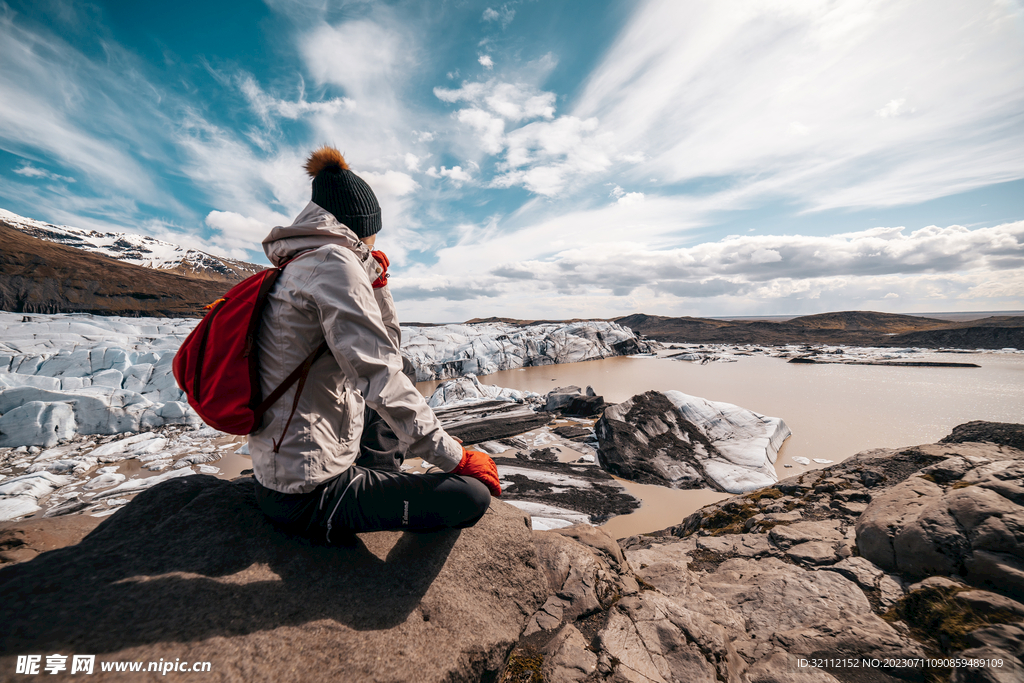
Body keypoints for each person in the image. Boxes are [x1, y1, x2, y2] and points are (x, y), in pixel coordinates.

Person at [248, 145, 500, 544]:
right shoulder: (333, 263)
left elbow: (387, 352)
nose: (374, 240)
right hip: (308, 491)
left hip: (290, 465)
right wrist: (458, 458)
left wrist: (377, 283)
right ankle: (376, 500)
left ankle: (381, 484)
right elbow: (381, 376)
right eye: (372, 234)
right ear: (358, 227)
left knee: (382, 414)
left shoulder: (301, 260)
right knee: (469, 498)